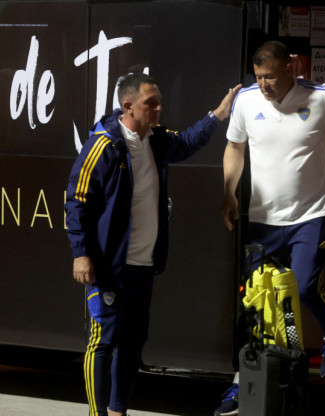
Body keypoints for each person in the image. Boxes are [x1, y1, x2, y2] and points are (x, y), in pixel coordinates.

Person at [65, 72, 241, 416]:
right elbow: (76, 201)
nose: (159, 108)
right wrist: (81, 254)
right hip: (109, 266)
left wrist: (217, 114)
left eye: (159, 101)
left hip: (143, 266)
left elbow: (187, 141)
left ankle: (118, 411)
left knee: (133, 345)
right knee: (102, 342)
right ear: (128, 106)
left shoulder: (156, 139)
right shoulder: (103, 146)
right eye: (151, 103)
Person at [216, 40, 325, 415]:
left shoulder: (323, 97)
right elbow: (235, 147)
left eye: (271, 77)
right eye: (259, 77)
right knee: (258, 301)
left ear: (291, 68)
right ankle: (243, 379)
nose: (264, 85)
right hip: (263, 218)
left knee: (304, 283)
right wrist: (229, 192)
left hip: (311, 214)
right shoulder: (247, 101)